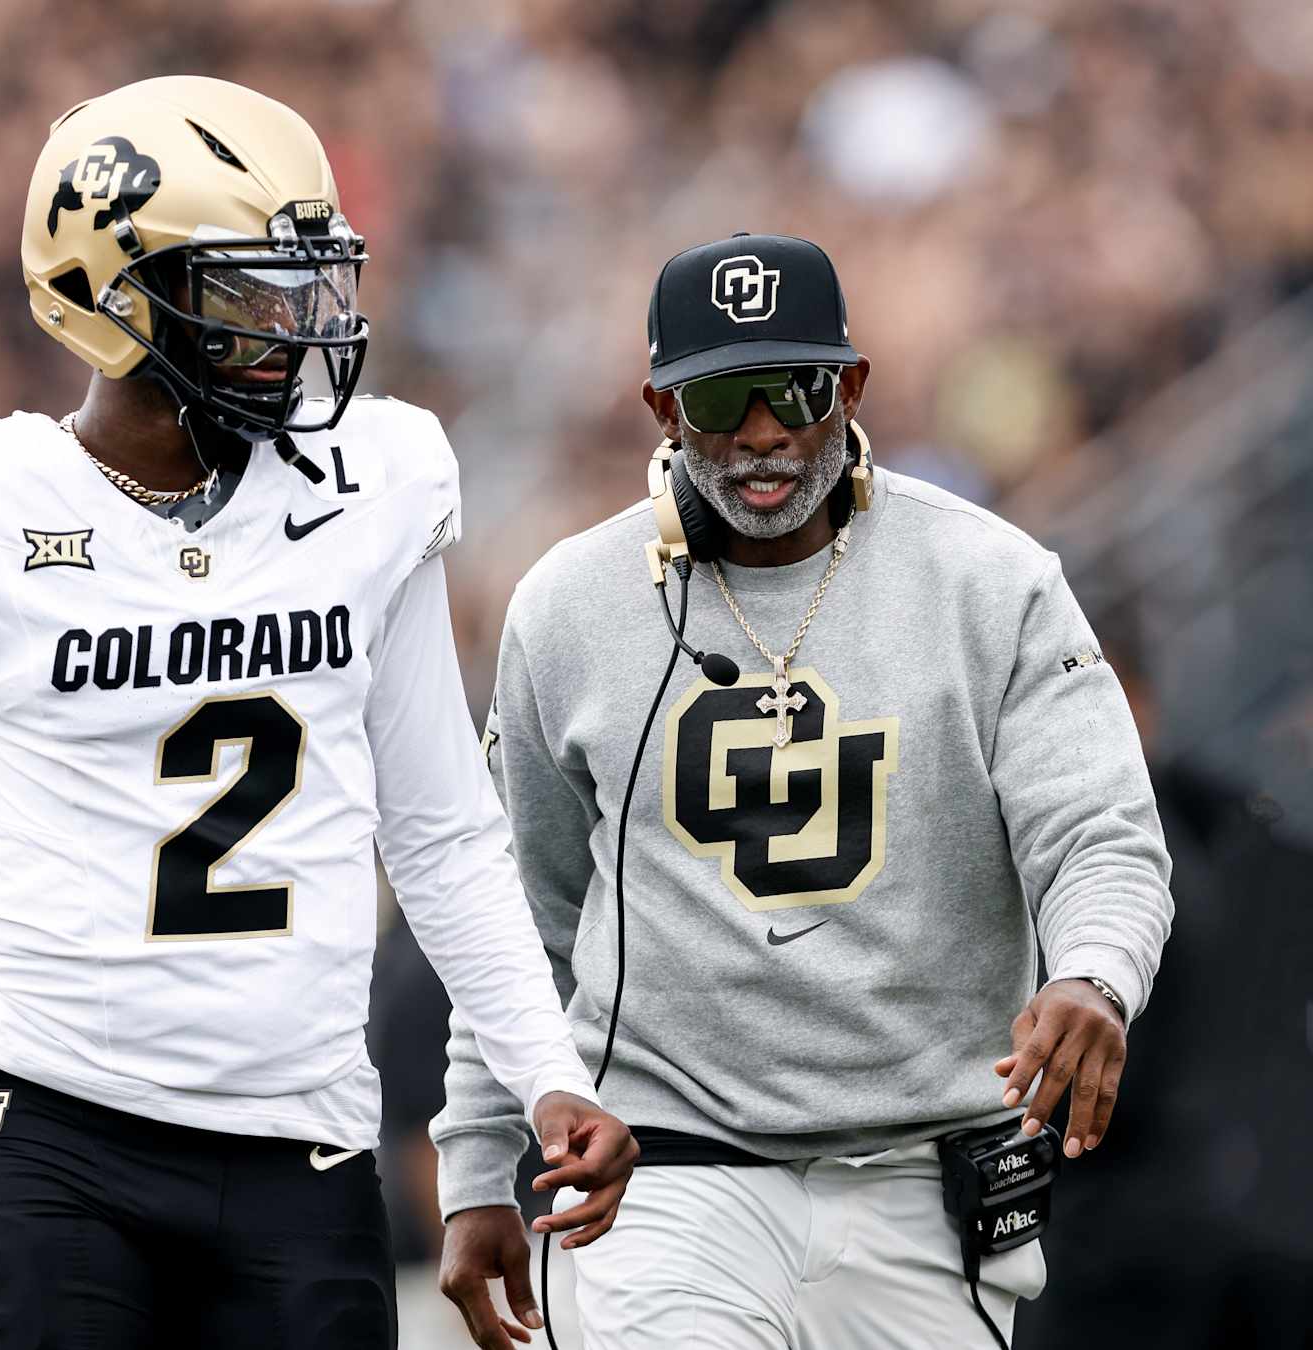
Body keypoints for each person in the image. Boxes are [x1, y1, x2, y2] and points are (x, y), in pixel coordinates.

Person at [0, 76, 636, 1350]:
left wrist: (545, 1076)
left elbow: (442, 833)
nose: (296, 325)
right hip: (48, 1125)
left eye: (310, 283)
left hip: (302, 1137)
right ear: (113, 301)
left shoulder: (371, 488)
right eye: (249, 292)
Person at [432, 233, 1173, 1349]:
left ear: (853, 387)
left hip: (924, 1175)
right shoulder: (567, 608)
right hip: (664, 1166)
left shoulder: (994, 580)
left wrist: (1093, 977)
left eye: (796, 387)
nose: (765, 430)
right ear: (662, 410)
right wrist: (479, 1161)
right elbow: (517, 917)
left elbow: (1102, 837)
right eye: (724, 397)